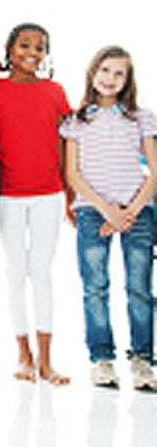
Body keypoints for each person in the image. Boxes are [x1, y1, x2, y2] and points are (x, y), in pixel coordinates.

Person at [59, 45, 157, 390]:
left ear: (128, 80)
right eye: (105, 71)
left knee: (139, 288)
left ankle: (143, 359)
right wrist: (107, 211)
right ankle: (102, 359)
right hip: (92, 213)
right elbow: (72, 174)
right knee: (96, 288)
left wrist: (129, 212)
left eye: (119, 73)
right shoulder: (76, 121)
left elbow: (154, 171)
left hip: (138, 213)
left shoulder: (141, 117)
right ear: (92, 73)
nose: (111, 79)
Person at [0, 22, 72, 385]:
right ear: (9, 48)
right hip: (7, 194)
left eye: (39, 48)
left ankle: (47, 360)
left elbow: (63, 143)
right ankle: (22, 354)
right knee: (15, 272)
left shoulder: (55, 92)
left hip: (48, 194)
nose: (32, 53)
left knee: (42, 274)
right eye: (25, 45)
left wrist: (70, 194)